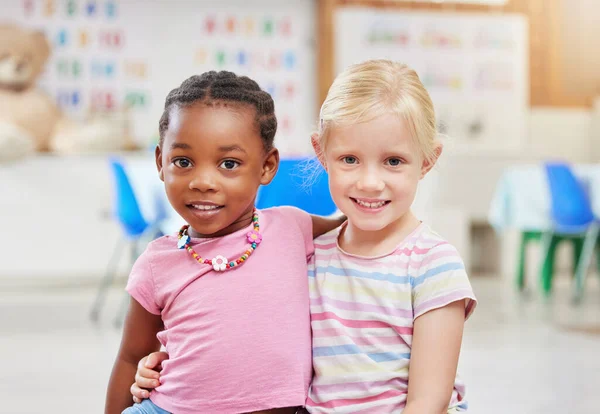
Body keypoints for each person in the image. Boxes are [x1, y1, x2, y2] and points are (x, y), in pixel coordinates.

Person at [131, 60, 477, 413]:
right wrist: (166, 363)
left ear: (427, 160)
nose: (370, 182)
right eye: (349, 159)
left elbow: (427, 402)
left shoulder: (434, 264)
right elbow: (247, 334)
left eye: (393, 161)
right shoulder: (310, 250)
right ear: (321, 154)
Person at [105, 70, 344, 414]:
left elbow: (353, 225)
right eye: (183, 162)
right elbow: (130, 356)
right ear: (161, 162)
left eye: (228, 164)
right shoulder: (157, 262)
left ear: (266, 166)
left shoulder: (292, 227)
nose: (203, 181)